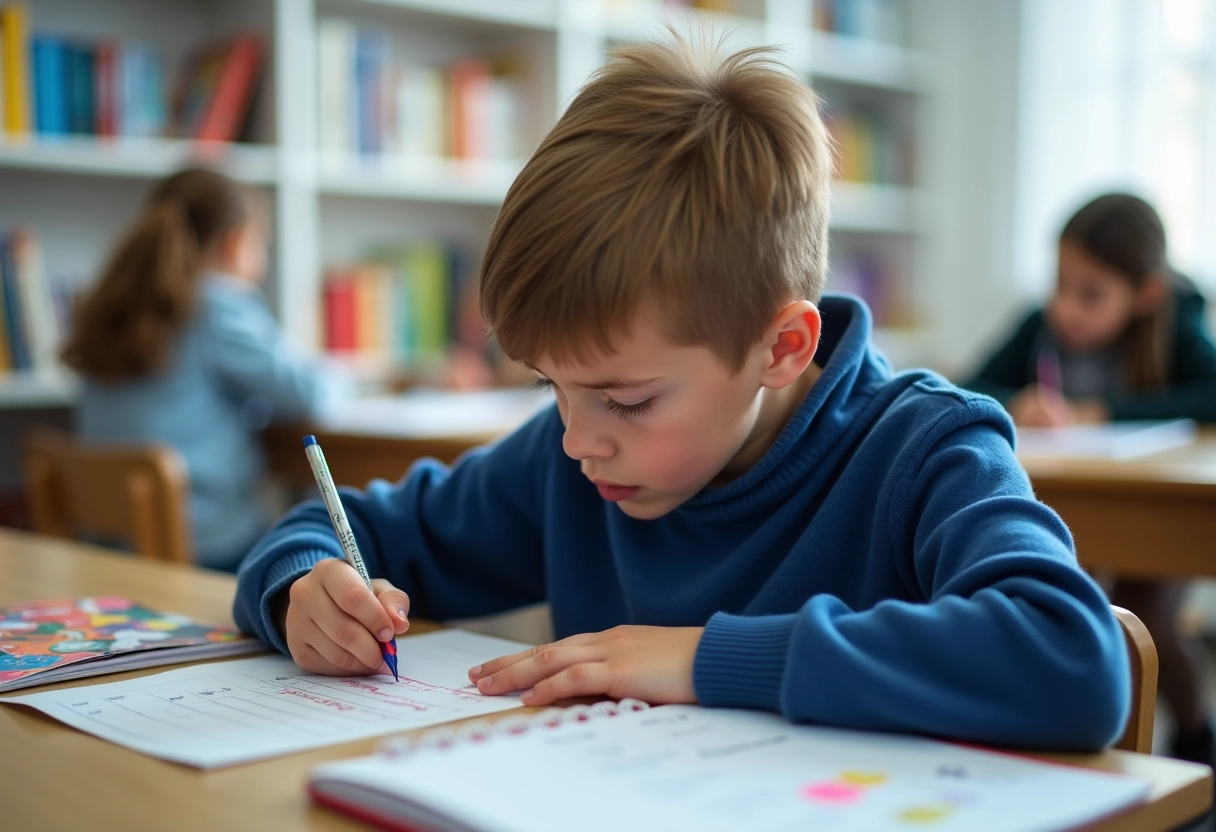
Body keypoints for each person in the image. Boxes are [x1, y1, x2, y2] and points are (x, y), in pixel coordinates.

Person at [234, 38, 1128, 750]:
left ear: (781, 347)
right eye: (553, 387)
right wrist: (303, 588)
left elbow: (1073, 659)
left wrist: (708, 659)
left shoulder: (923, 450)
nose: (579, 439)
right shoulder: (572, 455)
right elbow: (343, 524)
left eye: (626, 401)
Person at [964, 193, 1216, 763]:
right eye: (1060, 285)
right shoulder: (1039, 326)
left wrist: (1101, 411)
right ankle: (1087, 746)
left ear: (1146, 294)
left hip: (1158, 509)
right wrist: (1019, 402)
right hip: (1071, 498)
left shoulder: (1179, 325)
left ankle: (1195, 735)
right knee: (1071, 610)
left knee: (1147, 621)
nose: (1067, 308)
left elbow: (1211, 394)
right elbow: (971, 384)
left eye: (1091, 294)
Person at [63, 168, 349, 573]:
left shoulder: (111, 306)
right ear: (236, 244)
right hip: (203, 545)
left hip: (109, 546)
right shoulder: (217, 304)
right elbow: (311, 393)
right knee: (307, 545)